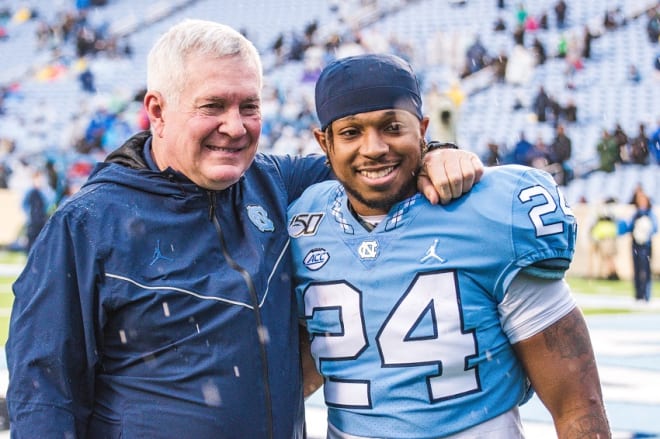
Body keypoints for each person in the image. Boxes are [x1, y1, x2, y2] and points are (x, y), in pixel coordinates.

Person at [6, 19, 483, 438]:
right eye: (212, 106)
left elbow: (373, 166)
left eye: (249, 106)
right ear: (157, 111)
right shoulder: (87, 225)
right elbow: (44, 391)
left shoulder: (274, 181)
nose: (235, 127)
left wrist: (435, 150)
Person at [288, 53, 610, 439]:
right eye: (351, 132)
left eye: (392, 127)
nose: (373, 147)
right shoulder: (302, 221)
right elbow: (297, 376)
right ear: (324, 142)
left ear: (422, 130)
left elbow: (576, 403)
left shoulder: (490, 212)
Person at [620, 185, 657, 302]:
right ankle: (638, 294)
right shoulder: (635, 214)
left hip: (646, 245)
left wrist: (645, 230)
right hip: (636, 244)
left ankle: (646, 294)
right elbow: (628, 227)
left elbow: (655, 228)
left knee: (646, 270)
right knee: (636, 269)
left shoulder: (650, 214)